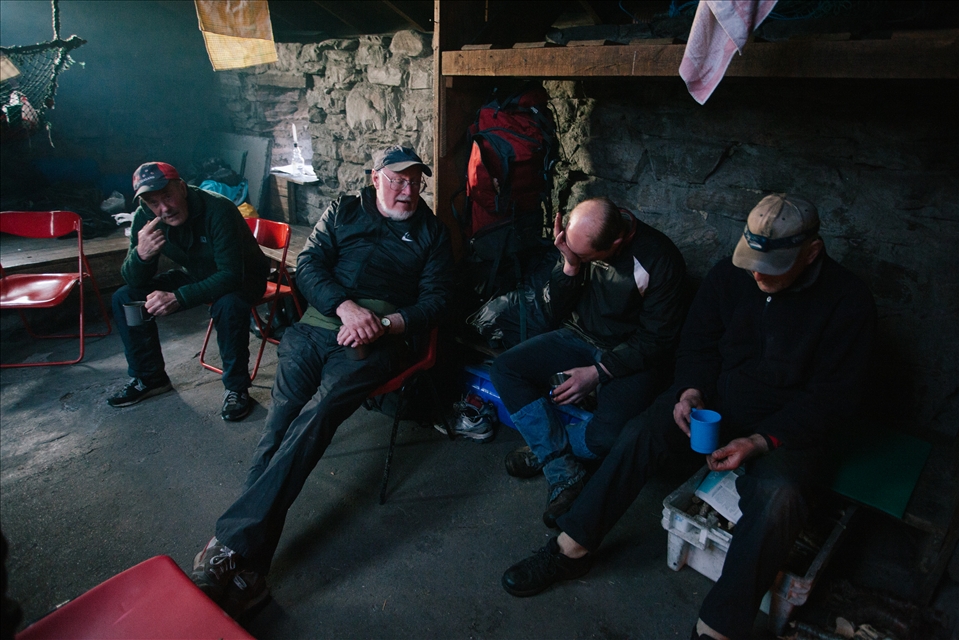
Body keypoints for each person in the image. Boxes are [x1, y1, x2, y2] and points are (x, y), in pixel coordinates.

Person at [499, 194, 877, 640]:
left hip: (786, 426)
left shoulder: (848, 301)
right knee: (641, 432)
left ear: (811, 253)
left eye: (771, 266)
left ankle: (717, 628)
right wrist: (689, 390)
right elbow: (697, 345)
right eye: (752, 262)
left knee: (779, 497)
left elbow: (834, 397)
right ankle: (571, 548)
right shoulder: (730, 275)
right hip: (716, 404)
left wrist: (761, 441)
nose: (757, 274)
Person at [189, 146, 453, 617]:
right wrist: (345, 308)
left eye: (416, 182)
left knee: (318, 414)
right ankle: (248, 569)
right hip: (316, 327)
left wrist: (383, 324)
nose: (408, 191)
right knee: (281, 420)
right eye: (398, 180)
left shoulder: (431, 233)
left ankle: (227, 549)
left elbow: (437, 301)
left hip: (376, 341)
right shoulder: (343, 211)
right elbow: (309, 266)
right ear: (375, 178)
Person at [490, 197, 687, 528]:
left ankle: (545, 449)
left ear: (616, 243)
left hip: (627, 353)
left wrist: (598, 373)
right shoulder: (576, 243)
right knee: (505, 369)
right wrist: (569, 265)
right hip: (577, 335)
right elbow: (552, 311)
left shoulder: (659, 260)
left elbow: (657, 340)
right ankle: (563, 473)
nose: (577, 256)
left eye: (585, 257)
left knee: (611, 436)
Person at [108, 162, 270, 421]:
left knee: (228, 304)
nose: (164, 208)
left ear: (182, 188)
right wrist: (142, 256)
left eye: (168, 196)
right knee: (125, 297)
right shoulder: (145, 217)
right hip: (196, 273)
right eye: (153, 202)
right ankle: (150, 378)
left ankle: (236, 388)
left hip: (243, 278)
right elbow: (133, 279)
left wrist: (179, 298)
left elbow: (230, 275)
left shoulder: (218, 209)